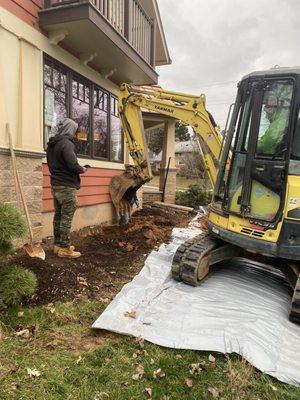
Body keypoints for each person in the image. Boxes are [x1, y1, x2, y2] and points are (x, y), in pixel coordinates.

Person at [46, 118, 87, 258]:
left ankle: (57, 245)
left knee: (58, 215)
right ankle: (64, 248)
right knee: (66, 217)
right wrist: (82, 169)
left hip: (56, 184)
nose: (75, 134)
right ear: (70, 129)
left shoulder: (52, 145)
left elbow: (55, 165)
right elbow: (72, 164)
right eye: (75, 130)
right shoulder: (66, 144)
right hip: (66, 186)